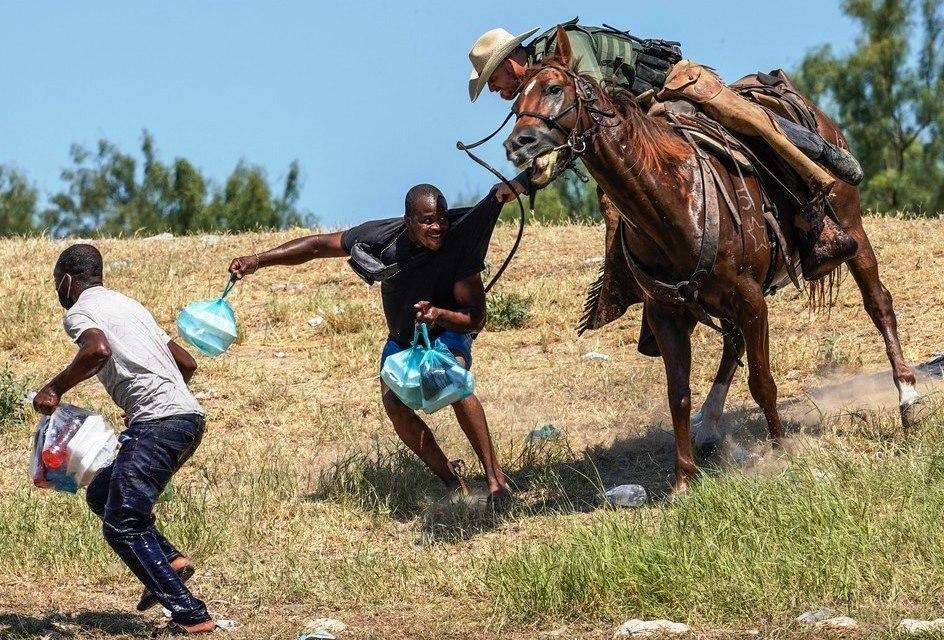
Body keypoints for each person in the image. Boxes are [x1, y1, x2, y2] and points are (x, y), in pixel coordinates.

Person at [467, 21, 863, 282]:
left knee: (750, 126)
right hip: (641, 121)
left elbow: (594, 110)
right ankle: (643, 284)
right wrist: (523, 180)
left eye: (493, 80)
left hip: (673, 86)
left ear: (511, 61)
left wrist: (530, 175)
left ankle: (817, 193)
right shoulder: (539, 92)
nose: (495, 91)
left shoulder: (565, 48)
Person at [228, 180, 525, 505]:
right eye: (427, 220)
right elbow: (317, 246)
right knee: (395, 406)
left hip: (448, 331)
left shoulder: (459, 244)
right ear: (408, 221)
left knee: (451, 380)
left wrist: (438, 314)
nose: (437, 226)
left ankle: (496, 480)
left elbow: (476, 318)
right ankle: (453, 482)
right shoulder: (381, 238)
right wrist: (258, 260)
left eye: (441, 218)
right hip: (402, 340)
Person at [32, 244, 216, 636]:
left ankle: (191, 615)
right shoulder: (130, 306)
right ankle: (170, 563)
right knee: (102, 493)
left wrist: (55, 387)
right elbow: (186, 363)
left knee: (123, 523)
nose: (57, 292)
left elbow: (97, 349)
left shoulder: (81, 310)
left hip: (159, 423)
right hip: (187, 419)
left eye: (56, 283)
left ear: (67, 279)